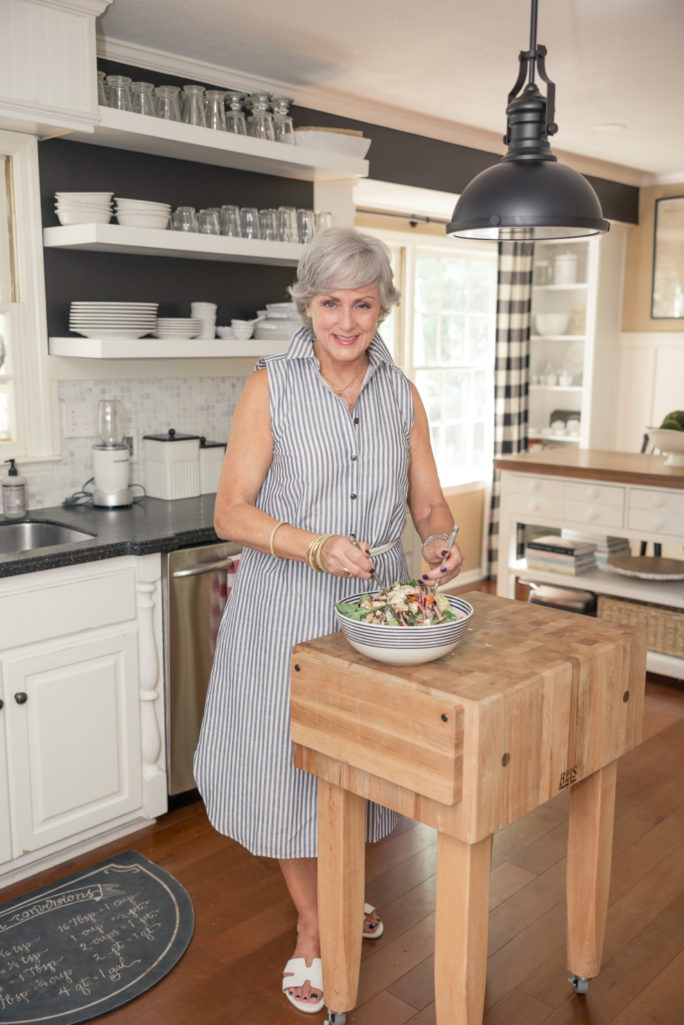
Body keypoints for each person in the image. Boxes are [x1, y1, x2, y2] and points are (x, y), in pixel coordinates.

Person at [193, 227, 464, 1014]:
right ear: (307, 305)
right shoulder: (268, 386)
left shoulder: (399, 391)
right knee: (288, 771)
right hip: (283, 611)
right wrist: (315, 546)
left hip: (374, 613)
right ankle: (314, 928)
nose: (346, 321)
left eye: (363, 304)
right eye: (330, 303)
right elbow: (229, 512)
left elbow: (430, 503)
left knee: (358, 768)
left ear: (383, 308)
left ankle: (344, 893)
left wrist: (441, 542)